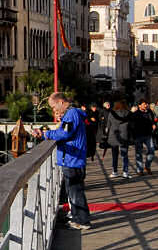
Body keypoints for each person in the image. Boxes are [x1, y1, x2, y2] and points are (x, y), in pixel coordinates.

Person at [52, 92, 93, 225]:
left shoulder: (71, 114)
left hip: (72, 160)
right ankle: (78, 218)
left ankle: (82, 221)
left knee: (75, 193)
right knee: (75, 192)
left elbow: (64, 133)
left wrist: (46, 134)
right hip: (74, 159)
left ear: (61, 102)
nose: (54, 110)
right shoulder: (74, 113)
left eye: (54, 106)